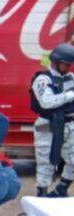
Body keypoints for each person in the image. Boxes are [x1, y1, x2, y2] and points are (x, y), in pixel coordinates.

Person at [30, 43, 74, 197]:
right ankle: (42, 194)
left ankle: (61, 190)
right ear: (55, 62)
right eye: (65, 64)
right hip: (48, 125)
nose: (68, 67)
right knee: (46, 163)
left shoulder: (70, 78)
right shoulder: (43, 79)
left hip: (69, 124)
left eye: (70, 65)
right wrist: (69, 96)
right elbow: (47, 102)